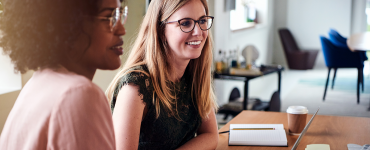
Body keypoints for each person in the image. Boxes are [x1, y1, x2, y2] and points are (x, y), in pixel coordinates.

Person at [0, 0, 127, 149]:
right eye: (109, 17)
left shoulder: (38, 84)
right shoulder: (78, 94)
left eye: (120, 15)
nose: (121, 30)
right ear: (69, 24)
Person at [105, 0, 218, 149]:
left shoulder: (194, 73)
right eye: (185, 23)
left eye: (202, 21)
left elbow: (211, 135)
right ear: (160, 29)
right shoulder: (135, 86)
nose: (198, 32)